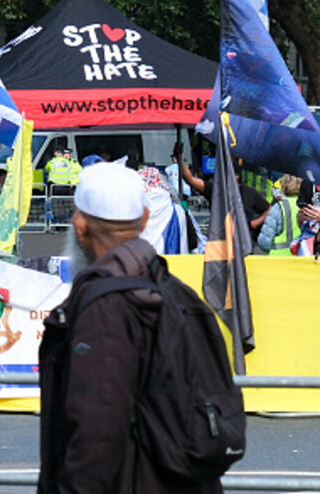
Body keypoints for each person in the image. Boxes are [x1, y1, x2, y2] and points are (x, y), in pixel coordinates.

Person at [38, 162, 221, 493]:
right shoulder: (176, 290)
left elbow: (97, 436)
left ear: (80, 226)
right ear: (145, 220)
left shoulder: (104, 308)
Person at [257, 174, 302, 255]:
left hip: (279, 259)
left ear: (283, 186)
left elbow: (264, 242)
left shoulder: (278, 208)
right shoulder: (309, 206)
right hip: (304, 259)